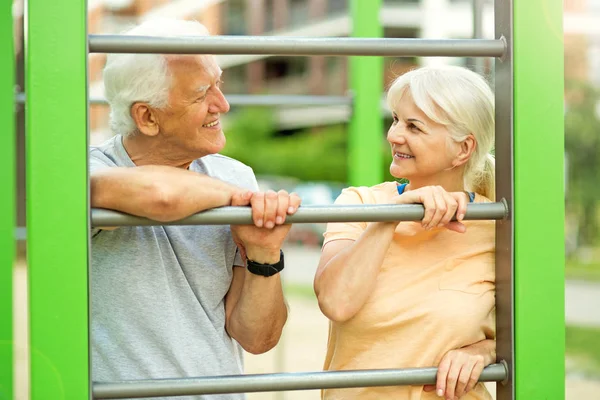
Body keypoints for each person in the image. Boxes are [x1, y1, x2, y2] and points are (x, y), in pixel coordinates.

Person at [89, 18, 300, 399]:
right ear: (147, 117)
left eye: (218, 83)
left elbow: (257, 339)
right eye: (201, 93)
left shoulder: (236, 175)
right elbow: (161, 195)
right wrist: (237, 200)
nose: (222, 103)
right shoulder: (90, 172)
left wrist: (263, 254)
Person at [314, 65, 496, 400]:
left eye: (414, 126)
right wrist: (390, 218)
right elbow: (336, 302)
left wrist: (484, 351)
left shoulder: (496, 225)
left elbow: (526, 330)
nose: (394, 135)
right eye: (396, 119)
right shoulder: (360, 203)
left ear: (463, 149)